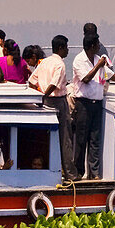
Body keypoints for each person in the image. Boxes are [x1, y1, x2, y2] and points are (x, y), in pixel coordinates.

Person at [71, 33, 115, 180]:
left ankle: (95, 173)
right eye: (98, 44)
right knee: (81, 140)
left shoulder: (98, 59)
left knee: (95, 139)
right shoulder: (79, 60)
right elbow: (86, 79)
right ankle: (79, 172)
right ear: (92, 46)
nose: (100, 46)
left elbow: (109, 75)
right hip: (83, 104)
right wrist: (98, 66)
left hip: (96, 103)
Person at [28, 35, 76, 181]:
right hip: (57, 101)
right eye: (66, 47)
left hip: (44, 102)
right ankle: (70, 174)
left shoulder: (44, 62)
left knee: (47, 137)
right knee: (65, 138)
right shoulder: (59, 65)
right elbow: (55, 84)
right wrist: (45, 96)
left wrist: (39, 95)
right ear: (61, 48)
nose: (67, 50)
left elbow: (31, 81)